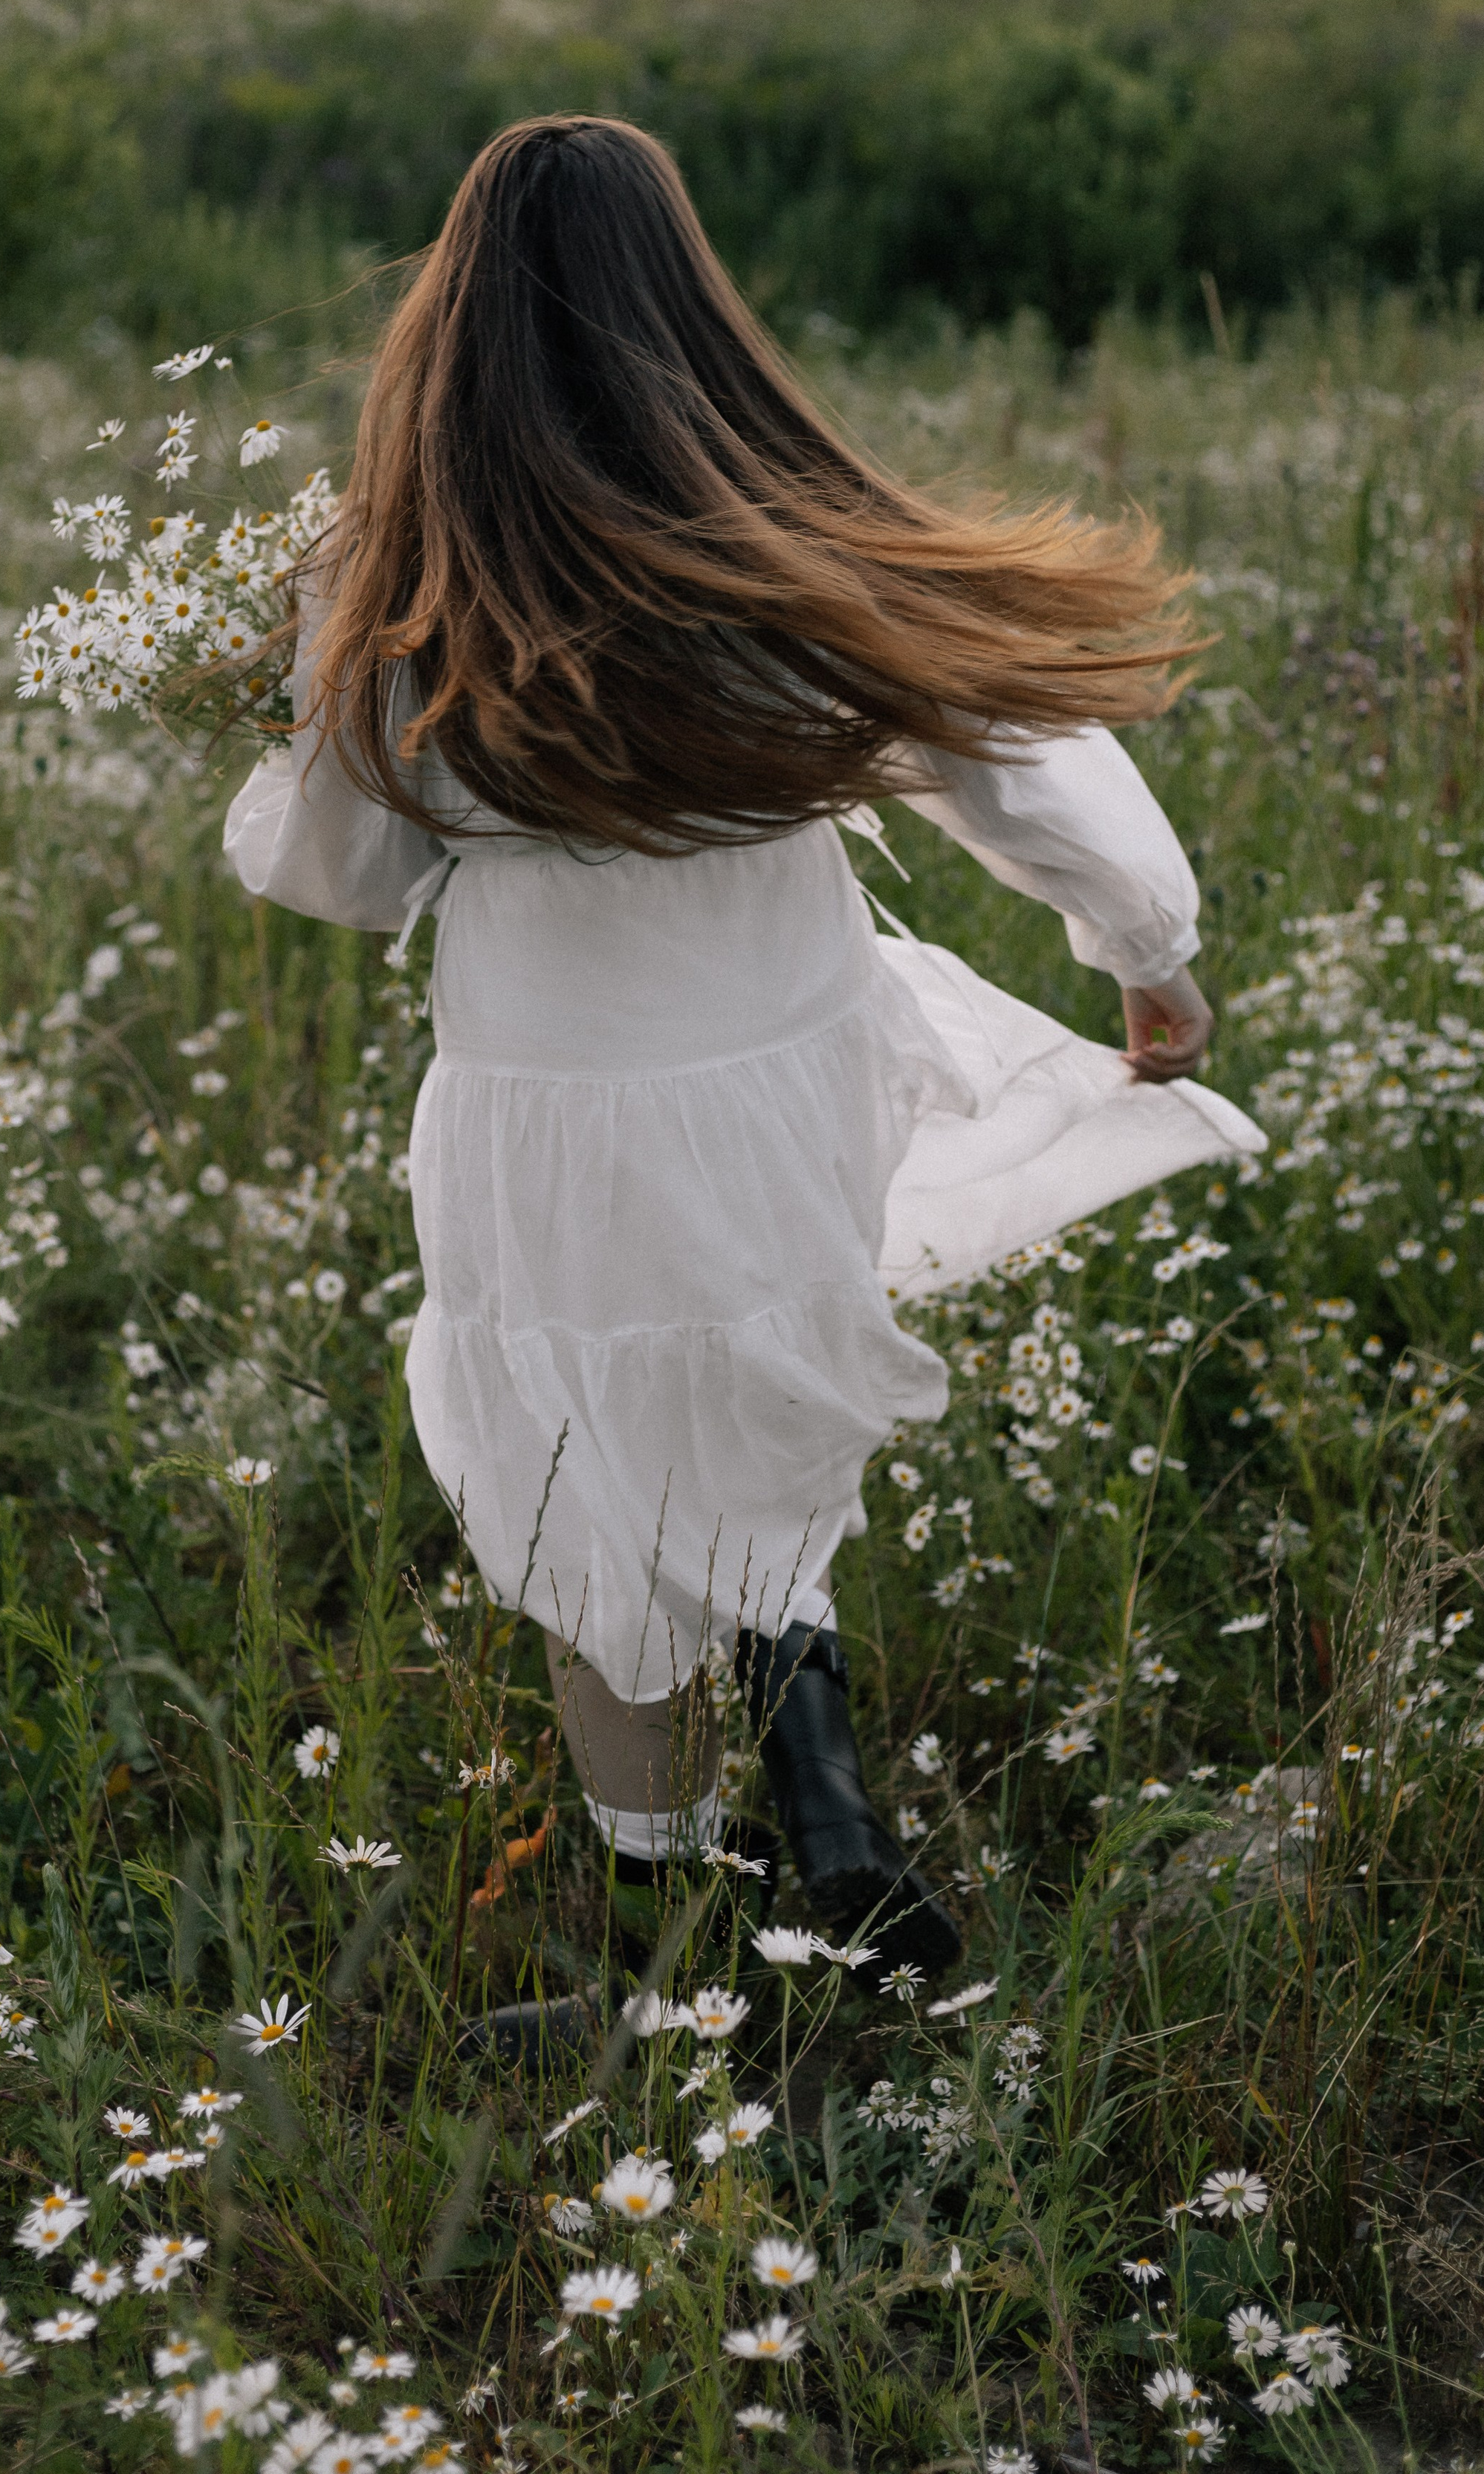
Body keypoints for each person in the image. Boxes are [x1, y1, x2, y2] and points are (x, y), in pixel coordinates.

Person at [222, 114, 1264, 1978]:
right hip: (776, 1060)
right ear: (683, 304)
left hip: (543, 1097)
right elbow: (1016, 760)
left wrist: (284, 715)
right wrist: (1149, 959)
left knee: (580, 1450)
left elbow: (342, 871)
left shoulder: (392, 574)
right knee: (756, 1391)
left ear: (444, 324)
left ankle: (658, 1884)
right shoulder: (782, 539)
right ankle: (831, 1793)